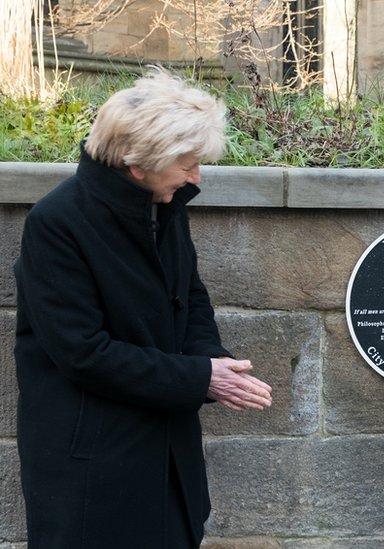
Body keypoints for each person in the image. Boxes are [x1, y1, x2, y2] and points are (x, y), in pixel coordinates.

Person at [14, 67, 273, 548]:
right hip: (92, 465)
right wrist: (199, 378)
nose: (197, 175)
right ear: (139, 163)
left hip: (168, 453)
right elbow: (82, 352)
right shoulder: (58, 222)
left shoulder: (162, 207)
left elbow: (190, 297)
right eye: (188, 162)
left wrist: (212, 362)